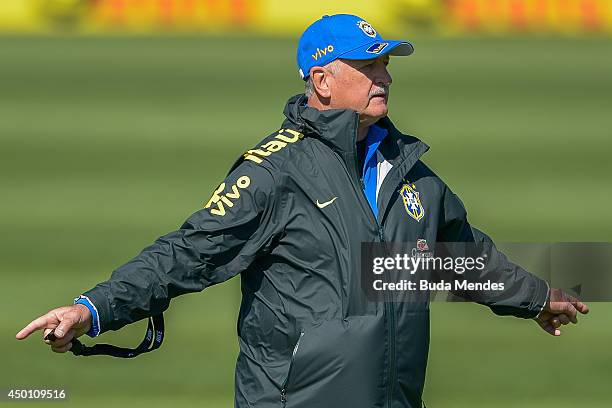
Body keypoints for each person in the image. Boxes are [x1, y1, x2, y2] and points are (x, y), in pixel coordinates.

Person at [16, 14, 589, 408]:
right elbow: (188, 252)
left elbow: (460, 257)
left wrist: (537, 297)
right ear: (322, 80)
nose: (385, 78)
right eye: (370, 68)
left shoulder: (408, 167)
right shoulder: (274, 171)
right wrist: (93, 309)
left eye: (386, 65)